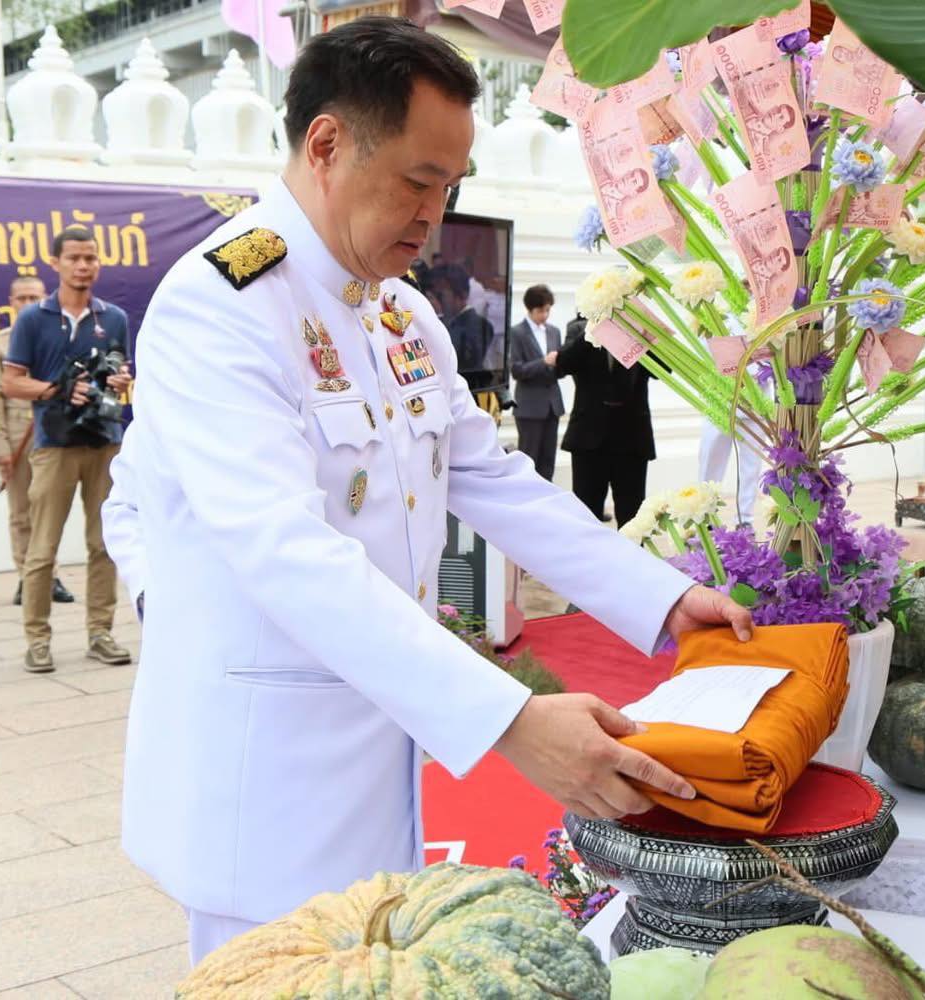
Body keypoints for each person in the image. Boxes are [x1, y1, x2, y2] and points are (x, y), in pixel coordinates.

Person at [98, 16, 751, 966]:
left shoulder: (403, 313)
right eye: (416, 180)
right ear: (326, 144)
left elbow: (490, 477)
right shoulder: (223, 303)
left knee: (379, 968)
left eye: (450, 187)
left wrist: (658, 595)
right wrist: (512, 720)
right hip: (269, 770)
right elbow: (285, 549)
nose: (433, 216)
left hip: (379, 743)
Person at [2, 227, 134, 674]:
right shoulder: (32, 319)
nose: (83, 266)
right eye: (75, 258)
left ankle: (101, 632)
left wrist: (119, 382)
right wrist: (58, 390)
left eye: (91, 258)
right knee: (43, 549)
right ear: (55, 262)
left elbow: (122, 373)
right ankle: (37, 639)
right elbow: (11, 381)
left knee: (104, 545)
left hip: (105, 443)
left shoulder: (113, 317)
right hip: (55, 445)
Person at [0, 275, 76, 608]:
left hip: (52, 434)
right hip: (17, 436)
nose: (27, 303)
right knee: (22, 512)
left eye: (33, 297)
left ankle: (51, 576)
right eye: (20, 298)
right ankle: (27, 577)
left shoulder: (60, 338)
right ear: (11, 302)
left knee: (49, 510)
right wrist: (1, 449)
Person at [555, 312, 656, 526]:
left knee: (633, 518)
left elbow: (664, 368)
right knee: (586, 516)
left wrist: (646, 334)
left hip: (632, 439)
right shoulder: (579, 329)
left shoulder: (640, 329)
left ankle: (631, 560)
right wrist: (595, 330)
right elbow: (563, 363)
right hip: (589, 439)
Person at [508, 284, 565, 481]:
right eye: (541, 310)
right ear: (530, 309)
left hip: (552, 405)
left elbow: (558, 367)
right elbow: (517, 370)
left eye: (548, 310)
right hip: (529, 407)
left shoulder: (554, 332)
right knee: (529, 460)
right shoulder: (516, 333)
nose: (545, 314)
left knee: (548, 460)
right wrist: (543, 362)